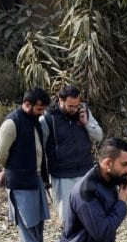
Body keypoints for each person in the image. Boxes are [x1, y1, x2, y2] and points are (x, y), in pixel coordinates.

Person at [0, 87, 54, 242]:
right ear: (27, 105)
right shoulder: (12, 123)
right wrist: (11, 169)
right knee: (28, 225)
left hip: (35, 179)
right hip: (20, 183)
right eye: (38, 109)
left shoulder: (34, 121)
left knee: (37, 225)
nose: (41, 113)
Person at [41, 85, 103, 223]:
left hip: (85, 170)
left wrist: (86, 123)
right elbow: (40, 148)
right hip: (62, 175)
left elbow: (99, 135)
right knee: (68, 218)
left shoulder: (84, 111)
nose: (74, 109)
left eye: (77, 105)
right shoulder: (47, 118)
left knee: (90, 215)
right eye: (70, 106)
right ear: (60, 100)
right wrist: (44, 177)